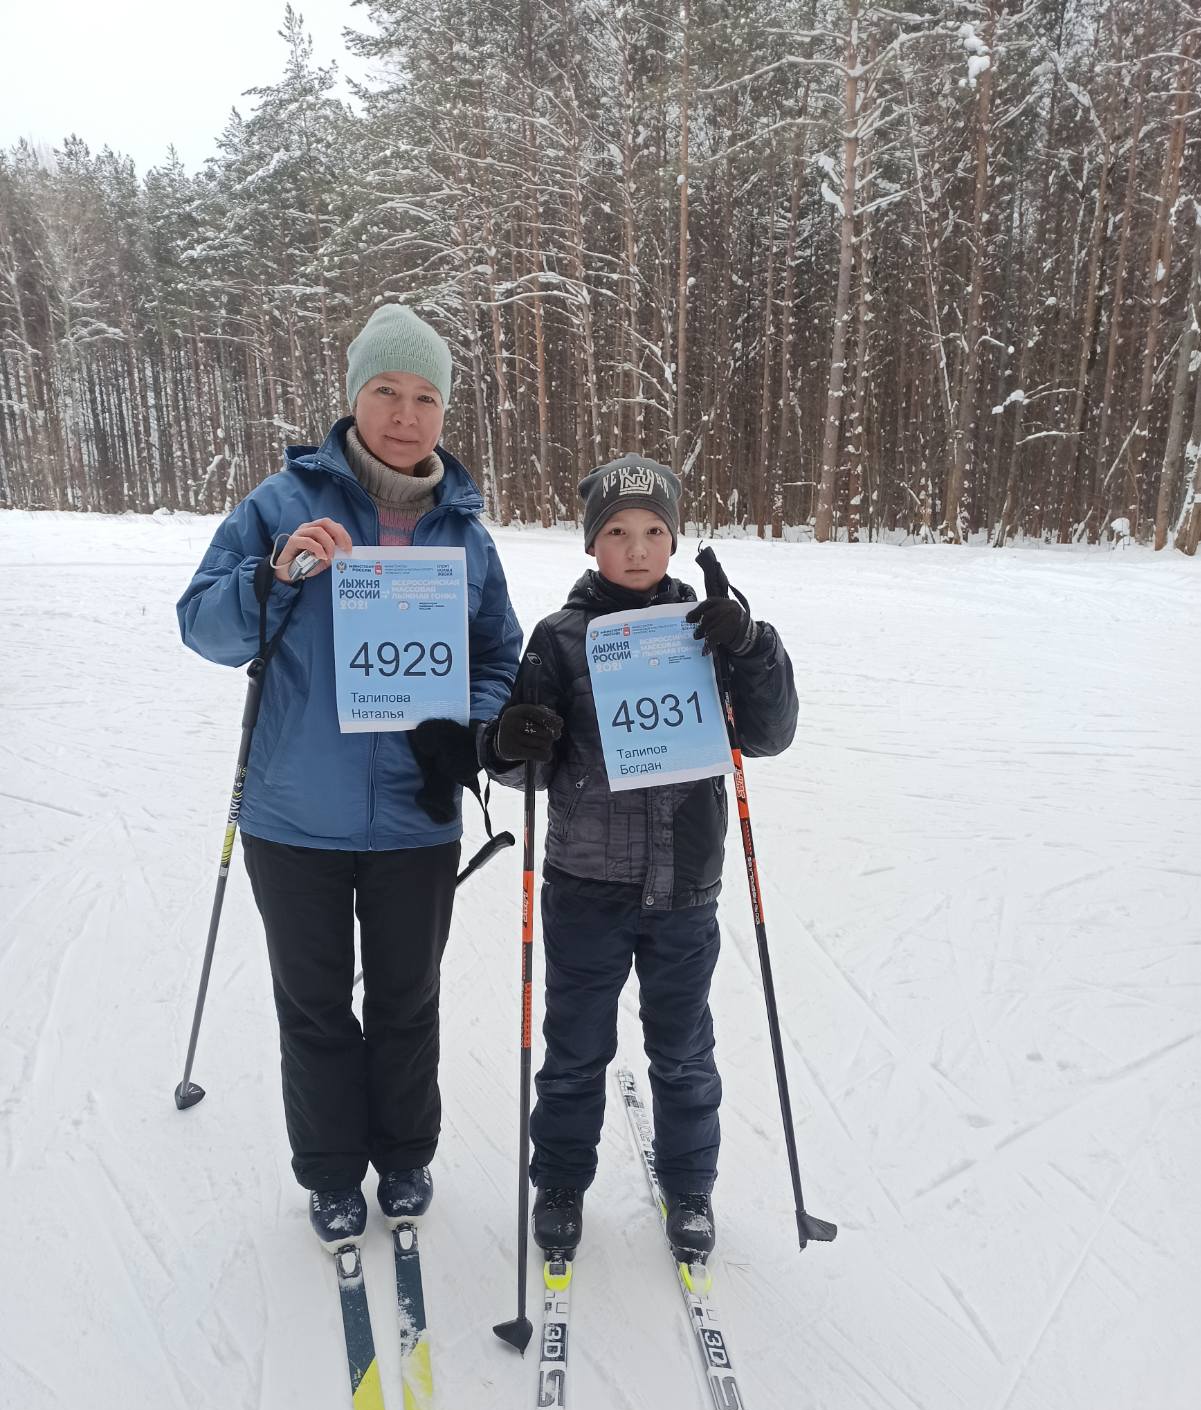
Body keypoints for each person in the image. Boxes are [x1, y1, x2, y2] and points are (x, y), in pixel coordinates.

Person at [177, 304, 522, 1250]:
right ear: (352, 397)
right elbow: (202, 625)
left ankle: (405, 1155)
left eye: (425, 398)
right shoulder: (281, 504)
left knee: (407, 1001)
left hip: (416, 815)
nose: (406, 415)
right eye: (385, 391)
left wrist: (471, 727)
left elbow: (498, 653)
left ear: (443, 410)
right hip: (295, 816)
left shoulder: (465, 533)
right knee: (315, 1006)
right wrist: (275, 575)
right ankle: (330, 1170)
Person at [480, 455, 798, 1261]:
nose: (635, 548)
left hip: (684, 886)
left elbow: (768, 734)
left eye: (654, 531)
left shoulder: (707, 627)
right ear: (591, 543)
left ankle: (689, 1188)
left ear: (674, 539)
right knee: (574, 1051)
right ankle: (559, 1182)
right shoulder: (559, 638)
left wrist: (751, 643)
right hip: (585, 884)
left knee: (683, 1052)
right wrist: (511, 741)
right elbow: (523, 771)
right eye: (617, 532)